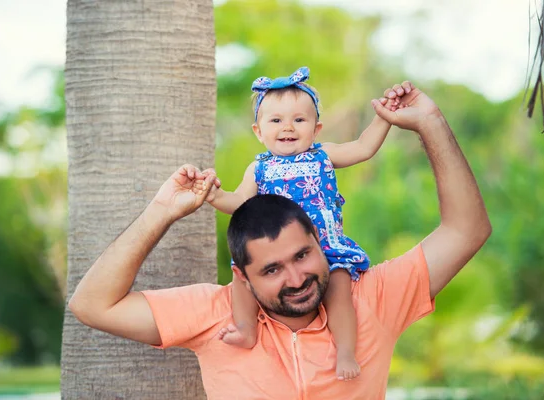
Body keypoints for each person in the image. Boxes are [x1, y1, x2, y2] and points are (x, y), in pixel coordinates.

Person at [69, 81, 492, 400]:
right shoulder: (218, 315)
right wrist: (161, 211)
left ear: (317, 241)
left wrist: (429, 123)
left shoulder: (373, 299)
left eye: (303, 254)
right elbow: (91, 305)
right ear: (244, 277)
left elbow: (466, 230)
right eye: (271, 268)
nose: (296, 277)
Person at [202, 66, 392, 381]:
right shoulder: (259, 168)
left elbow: (363, 148)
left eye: (299, 120)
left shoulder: (323, 155)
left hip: (325, 246)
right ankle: (246, 329)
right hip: (275, 253)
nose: (288, 127)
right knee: (242, 278)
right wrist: (213, 195)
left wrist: (384, 117)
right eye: (276, 120)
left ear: (316, 129)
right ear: (258, 131)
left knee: (340, 291)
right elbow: (238, 202)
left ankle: (345, 350)